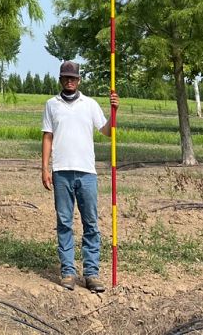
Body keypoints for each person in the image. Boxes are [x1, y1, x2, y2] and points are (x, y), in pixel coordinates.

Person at [41, 60, 119, 292]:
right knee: (64, 222)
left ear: (79, 80)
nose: (69, 81)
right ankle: (68, 271)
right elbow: (47, 137)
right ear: (60, 79)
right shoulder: (51, 105)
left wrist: (115, 112)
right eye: (66, 77)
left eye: (73, 77)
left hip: (87, 172)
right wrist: (45, 168)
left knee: (91, 223)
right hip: (61, 171)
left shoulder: (90, 104)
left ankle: (92, 273)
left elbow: (106, 131)